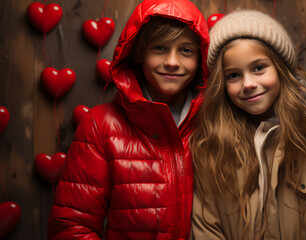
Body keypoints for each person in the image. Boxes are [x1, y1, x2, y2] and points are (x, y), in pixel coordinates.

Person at [190, 10, 306, 240]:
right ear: (222, 84)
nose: (248, 84)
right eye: (233, 75)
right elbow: (206, 229)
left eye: (259, 68)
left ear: (281, 69)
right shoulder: (211, 146)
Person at [47, 0, 209, 239]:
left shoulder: (215, 123)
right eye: (160, 48)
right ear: (139, 54)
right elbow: (72, 225)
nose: (173, 62)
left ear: (201, 60)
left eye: (186, 50)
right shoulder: (101, 125)